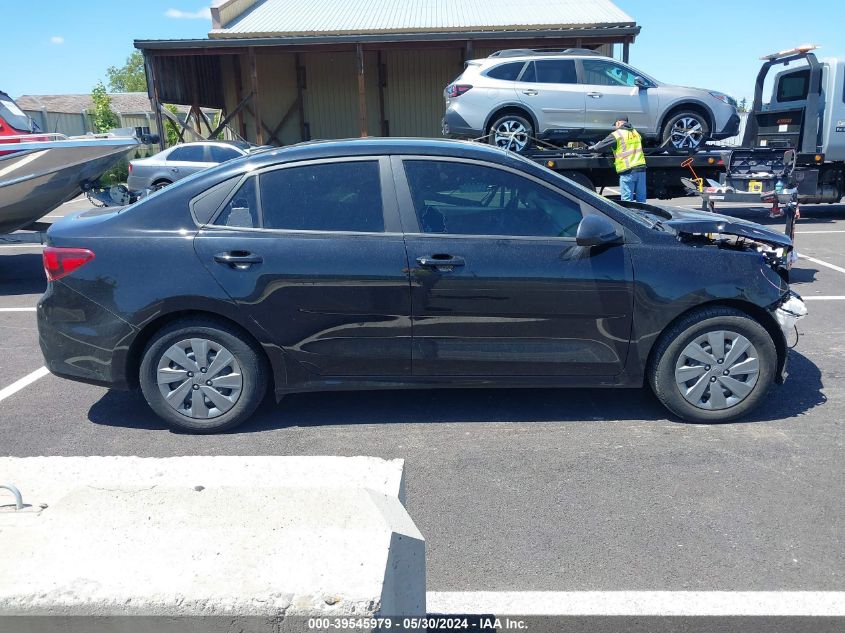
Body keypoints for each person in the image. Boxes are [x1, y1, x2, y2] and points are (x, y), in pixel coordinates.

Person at [589, 116, 647, 202]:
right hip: (641, 169)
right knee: (641, 199)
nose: (615, 127)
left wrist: (591, 147)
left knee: (627, 201)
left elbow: (599, 147)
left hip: (628, 170)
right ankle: (642, 215)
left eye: (615, 125)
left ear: (619, 123)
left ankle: (628, 216)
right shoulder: (636, 133)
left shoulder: (617, 134)